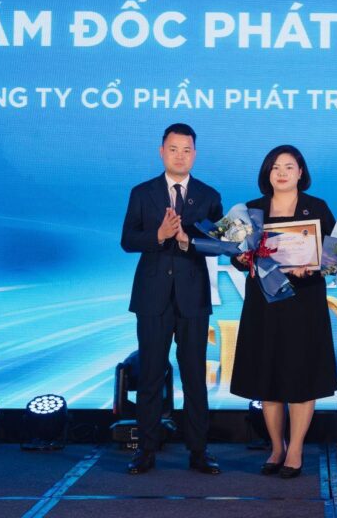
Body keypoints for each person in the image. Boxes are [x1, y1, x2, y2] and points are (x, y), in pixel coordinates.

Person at [120, 123, 224, 475]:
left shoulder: (208, 196)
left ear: (195, 154)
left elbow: (219, 245)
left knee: (195, 375)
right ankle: (146, 450)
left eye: (187, 150)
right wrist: (159, 235)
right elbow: (127, 240)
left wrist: (186, 241)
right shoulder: (142, 192)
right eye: (173, 149)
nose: (180, 156)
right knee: (151, 374)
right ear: (162, 151)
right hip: (152, 296)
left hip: (193, 296)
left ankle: (199, 450)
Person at [230, 145, 337, 479]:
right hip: (264, 302)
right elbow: (235, 254)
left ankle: (296, 449)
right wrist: (241, 258)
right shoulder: (251, 209)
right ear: (267, 172)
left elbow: (335, 254)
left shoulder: (316, 207)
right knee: (268, 373)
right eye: (275, 167)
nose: (281, 173)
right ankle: (277, 447)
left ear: (300, 172)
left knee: (302, 375)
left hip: (304, 301)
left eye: (289, 167)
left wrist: (315, 266)